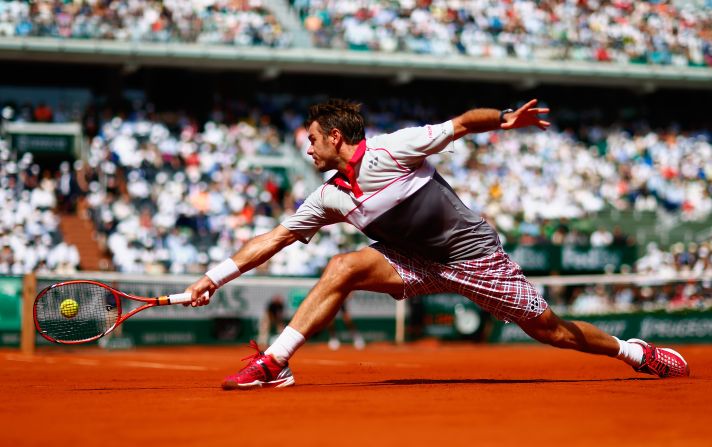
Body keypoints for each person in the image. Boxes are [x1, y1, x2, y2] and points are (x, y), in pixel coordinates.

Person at [185, 98, 690, 390]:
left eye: (313, 138)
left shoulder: (393, 149)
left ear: (336, 136)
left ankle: (633, 352)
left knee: (551, 330)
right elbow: (273, 238)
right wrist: (213, 278)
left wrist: (506, 119)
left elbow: (462, 124)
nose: (307, 147)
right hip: (411, 262)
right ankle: (275, 364)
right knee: (342, 266)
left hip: (473, 256)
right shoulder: (328, 199)